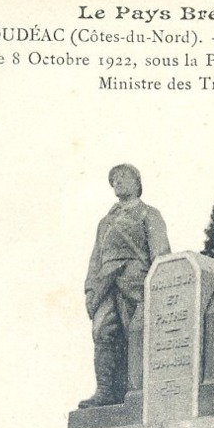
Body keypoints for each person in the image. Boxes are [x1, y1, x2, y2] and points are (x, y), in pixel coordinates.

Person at [80, 164, 170, 407]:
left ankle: (138, 389)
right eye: (114, 179)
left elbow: (160, 254)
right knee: (102, 333)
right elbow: (95, 258)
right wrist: (90, 289)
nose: (118, 182)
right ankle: (105, 391)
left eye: (123, 177)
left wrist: (157, 285)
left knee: (137, 334)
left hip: (135, 282)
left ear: (137, 182)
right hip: (106, 284)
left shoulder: (148, 214)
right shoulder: (105, 222)